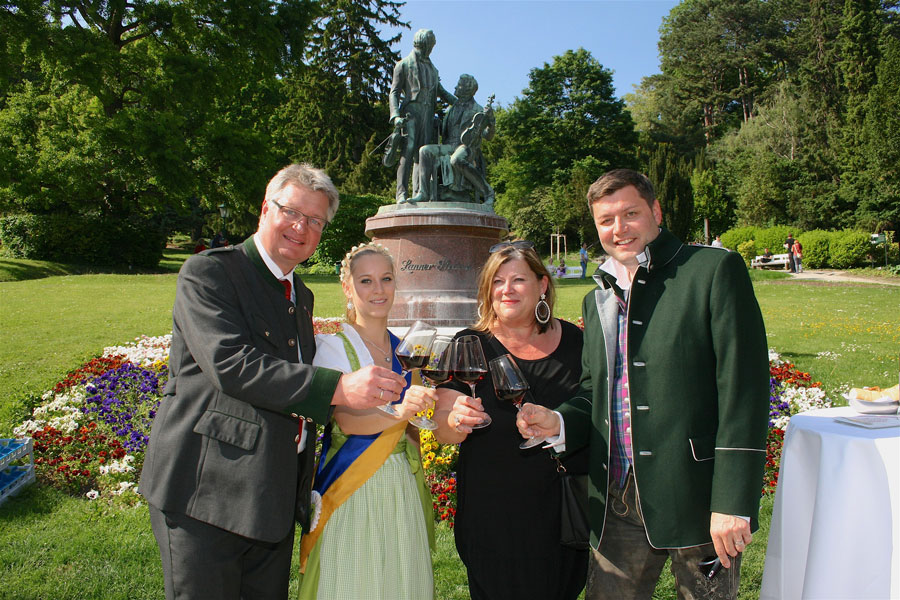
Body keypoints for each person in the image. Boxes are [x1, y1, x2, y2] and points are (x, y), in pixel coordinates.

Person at [139, 164, 407, 600]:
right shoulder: (211, 273)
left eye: (315, 221)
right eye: (292, 212)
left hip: (273, 498)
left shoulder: (300, 296)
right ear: (266, 209)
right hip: (206, 491)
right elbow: (232, 364)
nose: (301, 227)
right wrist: (337, 389)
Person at [517, 169, 769, 600]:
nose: (619, 229)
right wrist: (558, 422)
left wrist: (732, 501)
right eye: (606, 220)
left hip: (698, 493)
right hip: (617, 494)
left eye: (630, 214)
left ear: (655, 211)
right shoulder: (595, 297)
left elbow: (743, 390)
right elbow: (596, 392)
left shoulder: (712, 270)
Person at [433, 240, 589, 600]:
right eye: (497, 281)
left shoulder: (577, 343)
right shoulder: (470, 344)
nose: (506, 290)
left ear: (542, 284)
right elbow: (443, 424)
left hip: (561, 513)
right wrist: (455, 419)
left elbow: (595, 408)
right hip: (492, 515)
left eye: (517, 279)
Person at [298, 243, 437, 599]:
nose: (378, 290)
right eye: (366, 281)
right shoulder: (332, 347)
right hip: (354, 489)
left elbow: (412, 429)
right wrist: (403, 410)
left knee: (398, 582)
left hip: (401, 486)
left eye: (386, 279)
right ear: (347, 287)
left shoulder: (405, 348)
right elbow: (349, 423)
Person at [388, 28, 456, 204]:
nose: (432, 48)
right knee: (408, 152)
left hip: (428, 113)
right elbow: (394, 92)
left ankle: (420, 191)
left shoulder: (433, 69)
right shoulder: (403, 64)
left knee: (422, 154)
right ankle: (401, 193)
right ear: (425, 44)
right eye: (431, 45)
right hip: (410, 113)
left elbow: (441, 91)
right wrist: (395, 115)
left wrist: (461, 102)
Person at [409, 74, 495, 204]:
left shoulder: (478, 110)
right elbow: (442, 92)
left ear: (467, 90)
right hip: (449, 145)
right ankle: (423, 193)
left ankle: (488, 192)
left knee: (456, 159)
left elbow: (488, 136)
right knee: (424, 151)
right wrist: (431, 77)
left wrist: (491, 122)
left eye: (459, 85)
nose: (455, 87)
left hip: (467, 148)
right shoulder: (455, 104)